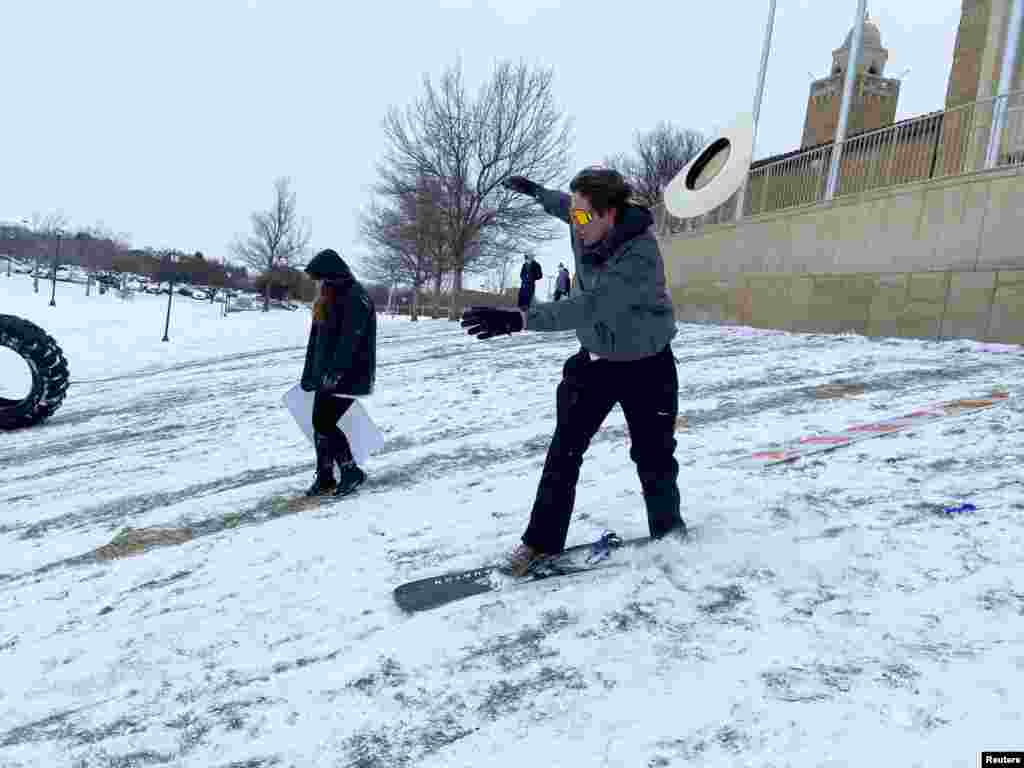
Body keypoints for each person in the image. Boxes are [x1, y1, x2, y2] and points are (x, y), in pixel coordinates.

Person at [461, 166, 685, 576]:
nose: (575, 222)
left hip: (647, 364)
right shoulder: (584, 218)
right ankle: (540, 543)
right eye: (575, 214)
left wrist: (519, 319)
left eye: (584, 217)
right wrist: (534, 192)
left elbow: (588, 306)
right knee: (563, 452)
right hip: (596, 360)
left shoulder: (640, 256)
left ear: (610, 214)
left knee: (653, 456)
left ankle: (670, 533)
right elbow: (562, 204)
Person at [300, 248, 376, 497]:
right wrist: (310, 374)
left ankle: (350, 470)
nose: (321, 284)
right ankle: (325, 477)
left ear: (335, 274)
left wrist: (334, 373)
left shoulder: (356, 297)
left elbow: (349, 342)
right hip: (326, 375)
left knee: (323, 423)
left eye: (324, 278)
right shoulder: (328, 297)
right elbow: (317, 341)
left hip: (348, 376)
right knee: (319, 425)